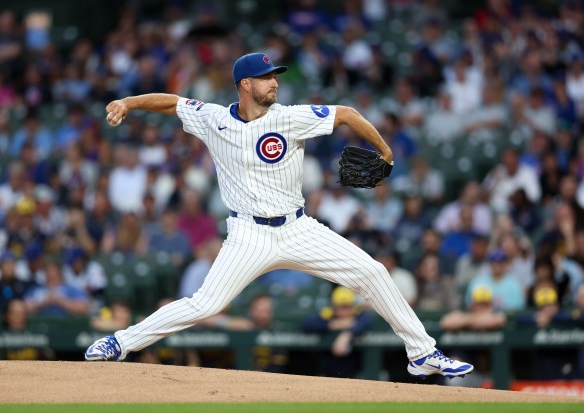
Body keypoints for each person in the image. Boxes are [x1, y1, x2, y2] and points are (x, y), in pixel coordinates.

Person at [85, 52, 473, 378]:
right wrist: (129, 102)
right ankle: (121, 342)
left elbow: (348, 114)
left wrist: (385, 152)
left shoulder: (289, 117)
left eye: (275, 76)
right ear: (244, 85)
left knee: (373, 272)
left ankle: (422, 354)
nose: (274, 82)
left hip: (298, 228)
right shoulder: (215, 118)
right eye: (266, 77)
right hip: (247, 236)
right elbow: (172, 102)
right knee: (205, 304)